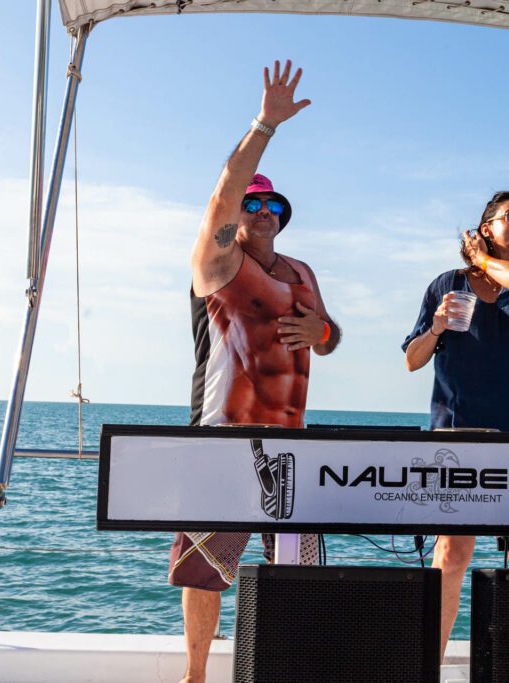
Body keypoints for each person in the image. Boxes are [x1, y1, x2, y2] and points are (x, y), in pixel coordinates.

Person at [169, 59, 340, 683]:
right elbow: (221, 193)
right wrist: (264, 124)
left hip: (290, 445)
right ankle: (196, 677)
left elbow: (331, 339)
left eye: (271, 202)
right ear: (237, 214)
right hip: (221, 437)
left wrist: (320, 330)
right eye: (252, 200)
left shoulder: (301, 273)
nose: (261, 208)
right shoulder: (216, 264)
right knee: (204, 569)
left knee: (296, 573)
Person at [402, 190, 509, 658]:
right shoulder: (447, 285)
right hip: (459, 437)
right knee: (452, 553)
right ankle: (427, 662)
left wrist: (480, 257)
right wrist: (434, 327)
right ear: (486, 226)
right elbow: (413, 360)